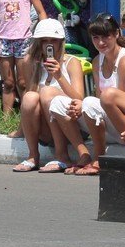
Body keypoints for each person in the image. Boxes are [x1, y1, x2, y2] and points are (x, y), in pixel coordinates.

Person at [51, 13, 125, 175]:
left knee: (92, 102)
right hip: (109, 124)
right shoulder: (97, 61)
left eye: (106, 37)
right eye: (96, 38)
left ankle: (99, 158)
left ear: (117, 34)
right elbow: (99, 101)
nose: (101, 42)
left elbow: (117, 101)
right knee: (58, 103)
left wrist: (86, 104)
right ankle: (84, 154)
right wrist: (80, 106)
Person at [14, 18, 86, 173]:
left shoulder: (71, 62)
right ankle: (33, 155)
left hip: (68, 124)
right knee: (29, 97)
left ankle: (62, 155)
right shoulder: (31, 62)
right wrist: (20, 129)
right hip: (43, 127)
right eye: (44, 40)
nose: (49, 44)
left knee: (46, 92)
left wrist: (59, 76)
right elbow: (29, 93)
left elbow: (79, 99)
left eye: (53, 40)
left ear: (61, 41)